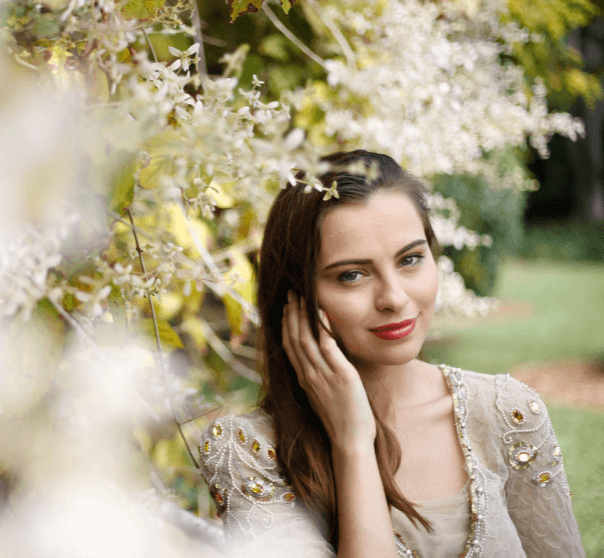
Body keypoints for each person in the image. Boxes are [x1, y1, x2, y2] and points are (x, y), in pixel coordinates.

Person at [199, 150, 585, 557]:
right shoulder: (247, 451)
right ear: (295, 297)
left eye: (410, 259)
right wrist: (353, 442)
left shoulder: (508, 413)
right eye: (352, 275)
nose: (394, 298)